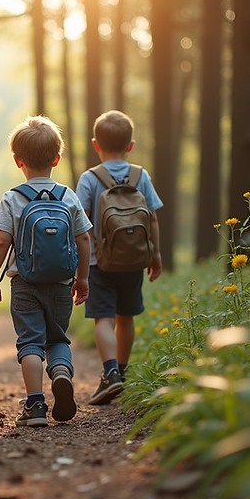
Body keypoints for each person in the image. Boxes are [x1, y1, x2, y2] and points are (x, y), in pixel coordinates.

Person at [0, 116, 92, 427]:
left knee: (30, 342)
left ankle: (36, 406)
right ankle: (60, 373)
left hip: (25, 284)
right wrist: (82, 277)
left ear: (18, 161)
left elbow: (1, 241)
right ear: (57, 159)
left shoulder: (13, 197)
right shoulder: (68, 196)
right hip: (60, 284)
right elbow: (83, 238)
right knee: (58, 339)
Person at [75, 110, 163, 405]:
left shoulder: (89, 178)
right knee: (126, 317)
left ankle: (110, 373)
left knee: (103, 317)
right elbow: (151, 219)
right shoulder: (141, 175)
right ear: (130, 145)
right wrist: (156, 254)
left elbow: (81, 224)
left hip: (100, 262)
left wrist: (81, 264)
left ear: (95, 144)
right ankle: (121, 374)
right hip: (134, 259)